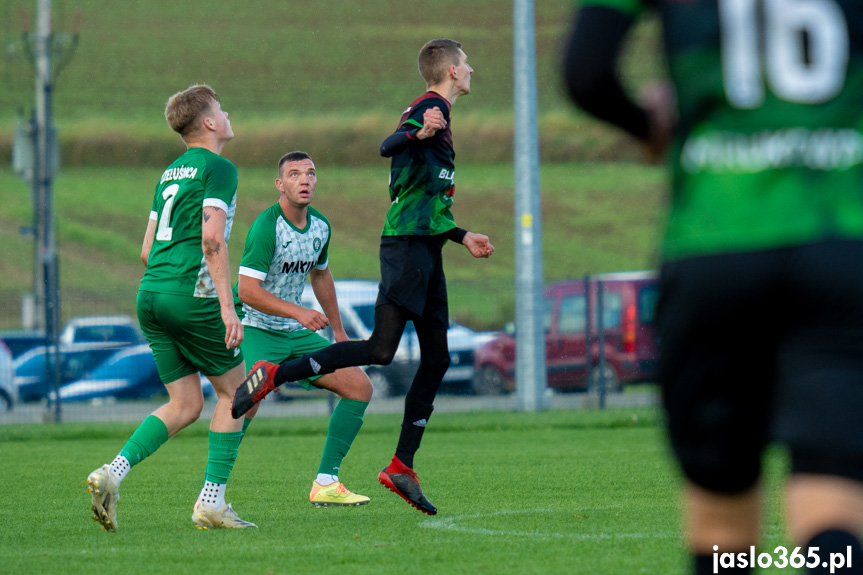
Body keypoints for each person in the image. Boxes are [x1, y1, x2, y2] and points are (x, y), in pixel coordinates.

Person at [564, 2, 863, 574]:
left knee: (722, 520)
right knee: (833, 502)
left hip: (715, 249)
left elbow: (587, 72)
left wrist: (646, 124)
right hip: (839, 246)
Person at [232, 39, 494, 516]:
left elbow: (421, 198)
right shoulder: (429, 107)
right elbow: (387, 146)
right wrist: (416, 132)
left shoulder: (440, 115)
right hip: (405, 249)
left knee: (437, 358)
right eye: (467, 63)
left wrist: (460, 235)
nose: (472, 69)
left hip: (427, 248)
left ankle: (401, 467)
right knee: (380, 351)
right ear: (453, 71)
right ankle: (275, 374)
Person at [87, 85, 255, 531]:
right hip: (189, 296)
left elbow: (146, 250)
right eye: (222, 108)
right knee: (241, 395)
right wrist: (226, 307)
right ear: (209, 123)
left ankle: (112, 473)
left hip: (151, 294)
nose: (227, 113)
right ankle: (211, 502)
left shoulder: (169, 173)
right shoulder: (219, 168)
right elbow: (212, 240)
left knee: (184, 404)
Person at [234, 151, 372, 507]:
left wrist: (339, 332)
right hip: (257, 328)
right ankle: (211, 495)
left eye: (310, 173)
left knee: (359, 387)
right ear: (280, 185)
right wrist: (298, 312)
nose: (305, 180)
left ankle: (326, 482)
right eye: (294, 174)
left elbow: (321, 274)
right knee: (244, 405)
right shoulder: (267, 227)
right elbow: (246, 291)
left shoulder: (321, 226)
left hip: (295, 333)